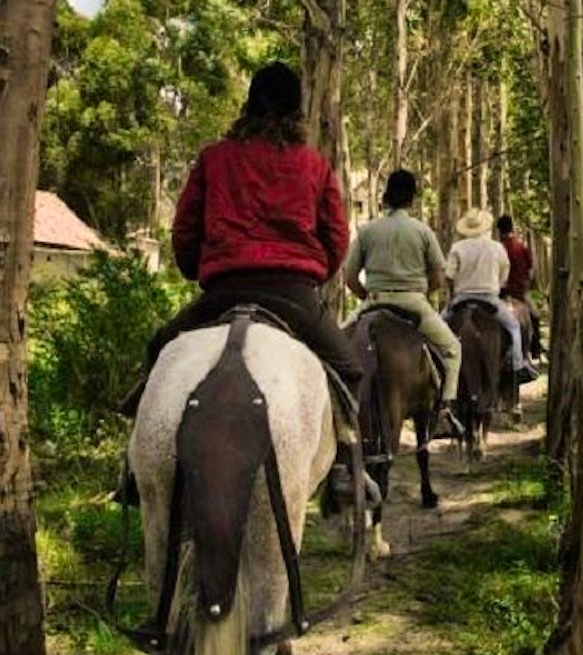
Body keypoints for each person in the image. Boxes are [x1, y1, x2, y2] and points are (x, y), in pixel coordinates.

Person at [123, 61, 366, 492]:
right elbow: (336, 236)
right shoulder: (313, 165)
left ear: (248, 106)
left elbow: (185, 231)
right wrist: (318, 272)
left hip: (224, 291)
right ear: (297, 112)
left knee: (160, 347)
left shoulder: (214, 158)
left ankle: (135, 469)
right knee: (349, 368)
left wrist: (196, 266)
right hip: (293, 295)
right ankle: (345, 465)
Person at [341, 170, 466, 439]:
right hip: (413, 302)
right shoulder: (422, 231)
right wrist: (421, 292)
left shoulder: (368, 230)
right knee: (453, 350)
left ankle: (337, 416)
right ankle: (445, 412)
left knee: (337, 346)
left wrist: (367, 298)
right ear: (412, 198)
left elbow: (350, 277)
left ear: (385, 197)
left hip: (374, 302)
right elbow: (438, 277)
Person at [445, 209, 539, 384]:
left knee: (440, 326)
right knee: (513, 327)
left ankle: (439, 368)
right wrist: (497, 285)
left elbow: (449, 276)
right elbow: (505, 272)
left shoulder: (457, 247)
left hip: (461, 299)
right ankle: (518, 366)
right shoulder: (496, 247)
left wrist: (453, 294)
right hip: (490, 299)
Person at [496, 215, 543, 357]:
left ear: (499, 231)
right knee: (535, 315)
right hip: (520, 293)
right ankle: (536, 347)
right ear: (512, 228)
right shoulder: (521, 247)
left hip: (500, 293)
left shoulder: (498, 248)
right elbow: (530, 270)